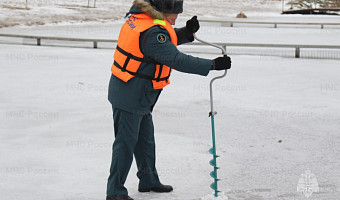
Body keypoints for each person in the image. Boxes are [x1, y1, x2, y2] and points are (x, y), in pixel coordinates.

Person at [106, 0, 231, 199]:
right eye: (175, 15)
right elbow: (175, 59)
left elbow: (163, 40)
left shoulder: (143, 20)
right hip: (130, 94)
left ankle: (148, 180)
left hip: (139, 93)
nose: (175, 19)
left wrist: (186, 32)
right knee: (126, 143)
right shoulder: (152, 32)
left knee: (145, 140)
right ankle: (114, 191)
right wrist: (212, 65)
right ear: (162, 10)